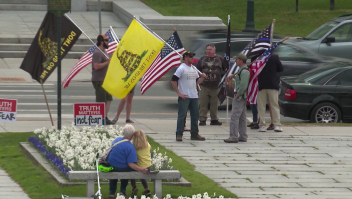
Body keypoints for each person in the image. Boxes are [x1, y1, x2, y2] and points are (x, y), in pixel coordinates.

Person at [171, 51, 207, 142]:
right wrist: (179, 93)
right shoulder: (181, 68)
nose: (192, 58)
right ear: (185, 57)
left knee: (195, 116)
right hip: (185, 96)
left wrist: (202, 78)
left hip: (194, 95)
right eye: (190, 56)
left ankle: (194, 134)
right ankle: (179, 134)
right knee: (182, 116)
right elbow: (173, 80)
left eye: (192, 56)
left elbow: (196, 82)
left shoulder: (194, 68)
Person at [107, 124, 149, 198]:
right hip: (122, 168)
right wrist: (142, 169)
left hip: (111, 165)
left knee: (115, 171)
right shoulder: (131, 147)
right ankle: (122, 191)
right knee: (127, 169)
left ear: (123, 133)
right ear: (132, 135)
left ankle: (112, 192)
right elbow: (131, 164)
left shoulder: (116, 140)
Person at [196, 44, 228, 126]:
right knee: (203, 103)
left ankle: (214, 119)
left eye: (210, 49)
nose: (208, 51)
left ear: (214, 50)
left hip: (216, 86)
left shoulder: (220, 59)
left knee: (214, 104)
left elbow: (226, 69)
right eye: (207, 49)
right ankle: (202, 119)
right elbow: (197, 70)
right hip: (204, 85)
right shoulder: (202, 59)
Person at [224, 53, 250, 143]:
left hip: (240, 96)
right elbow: (239, 78)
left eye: (237, 59)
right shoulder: (241, 70)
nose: (235, 61)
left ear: (241, 60)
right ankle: (243, 136)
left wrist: (238, 94)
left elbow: (243, 85)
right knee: (242, 117)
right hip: (240, 96)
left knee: (234, 116)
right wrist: (233, 76)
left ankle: (233, 136)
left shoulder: (245, 72)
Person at [256, 53, 284, 132]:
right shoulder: (274, 57)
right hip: (272, 84)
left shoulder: (257, 57)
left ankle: (262, 125)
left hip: (261, 84)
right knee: (274, 105)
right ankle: (277, 124)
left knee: (261, 107)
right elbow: (281, 69)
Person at [92, 34, 113, 125]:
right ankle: (99, 118)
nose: (108, 42)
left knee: (108, 98)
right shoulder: (97, 53)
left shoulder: (104, 52)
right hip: (99, 80)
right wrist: (107, 62)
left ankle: (105, 117)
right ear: (101, 42)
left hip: (106, 80)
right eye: (106, 41)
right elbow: (96, 66)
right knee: (101, 100)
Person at [130, 130, 152, 197]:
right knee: (142, 176)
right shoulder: (147, 145)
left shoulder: (135, 147)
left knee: (131, 171)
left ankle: (134, 187)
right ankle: (147, 190)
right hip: (149, 166)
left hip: (140, 167)